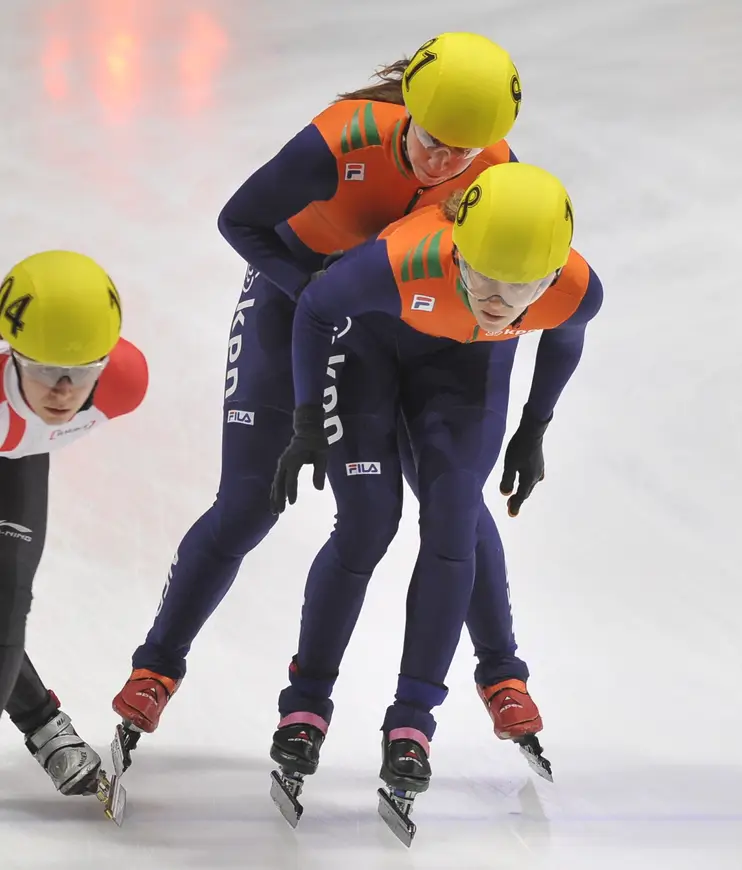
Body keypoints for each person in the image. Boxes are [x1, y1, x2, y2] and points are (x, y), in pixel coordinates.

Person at [113, 32, 546, 755]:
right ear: (410, 112)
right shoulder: (341, 142)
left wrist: (528, 421)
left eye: (463, 153)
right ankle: (157, 665)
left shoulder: (494, 169)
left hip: (399, 316)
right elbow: (238, 220)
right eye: (433, 142)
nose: (444, 164)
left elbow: (516, 280)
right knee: (249, 501)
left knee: (453, 494)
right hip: (300, 296)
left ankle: (502, 672)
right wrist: (307, 286)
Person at [268, 162, 603, 806]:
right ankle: (305, 703)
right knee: (367, 522)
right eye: (483, 274)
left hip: (463, 372)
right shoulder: (399, 261)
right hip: (369, 351)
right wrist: (307, 421)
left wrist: (534, 429)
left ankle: (413, 721)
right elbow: (314, 308)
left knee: (453, 515)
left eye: (522, 286)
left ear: (553, 276)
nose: (498, 300)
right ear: (457, 252)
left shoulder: (575, 289)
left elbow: (565, 338)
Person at [0, 250, 148, 796]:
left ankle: (42, 724)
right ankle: (43, 724)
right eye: (44, 370)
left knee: (8, 601)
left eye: (81, 372)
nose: (62, 391)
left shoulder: (124, 381)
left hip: (17, 454)